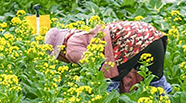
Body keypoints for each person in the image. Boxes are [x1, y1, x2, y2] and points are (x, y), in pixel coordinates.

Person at [44, 21, 172, 94]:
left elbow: (94, 67)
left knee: (110, 83)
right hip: (152, 34)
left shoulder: (71, 48)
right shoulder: (80, 35)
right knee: (156, 79)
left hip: (132, 41)